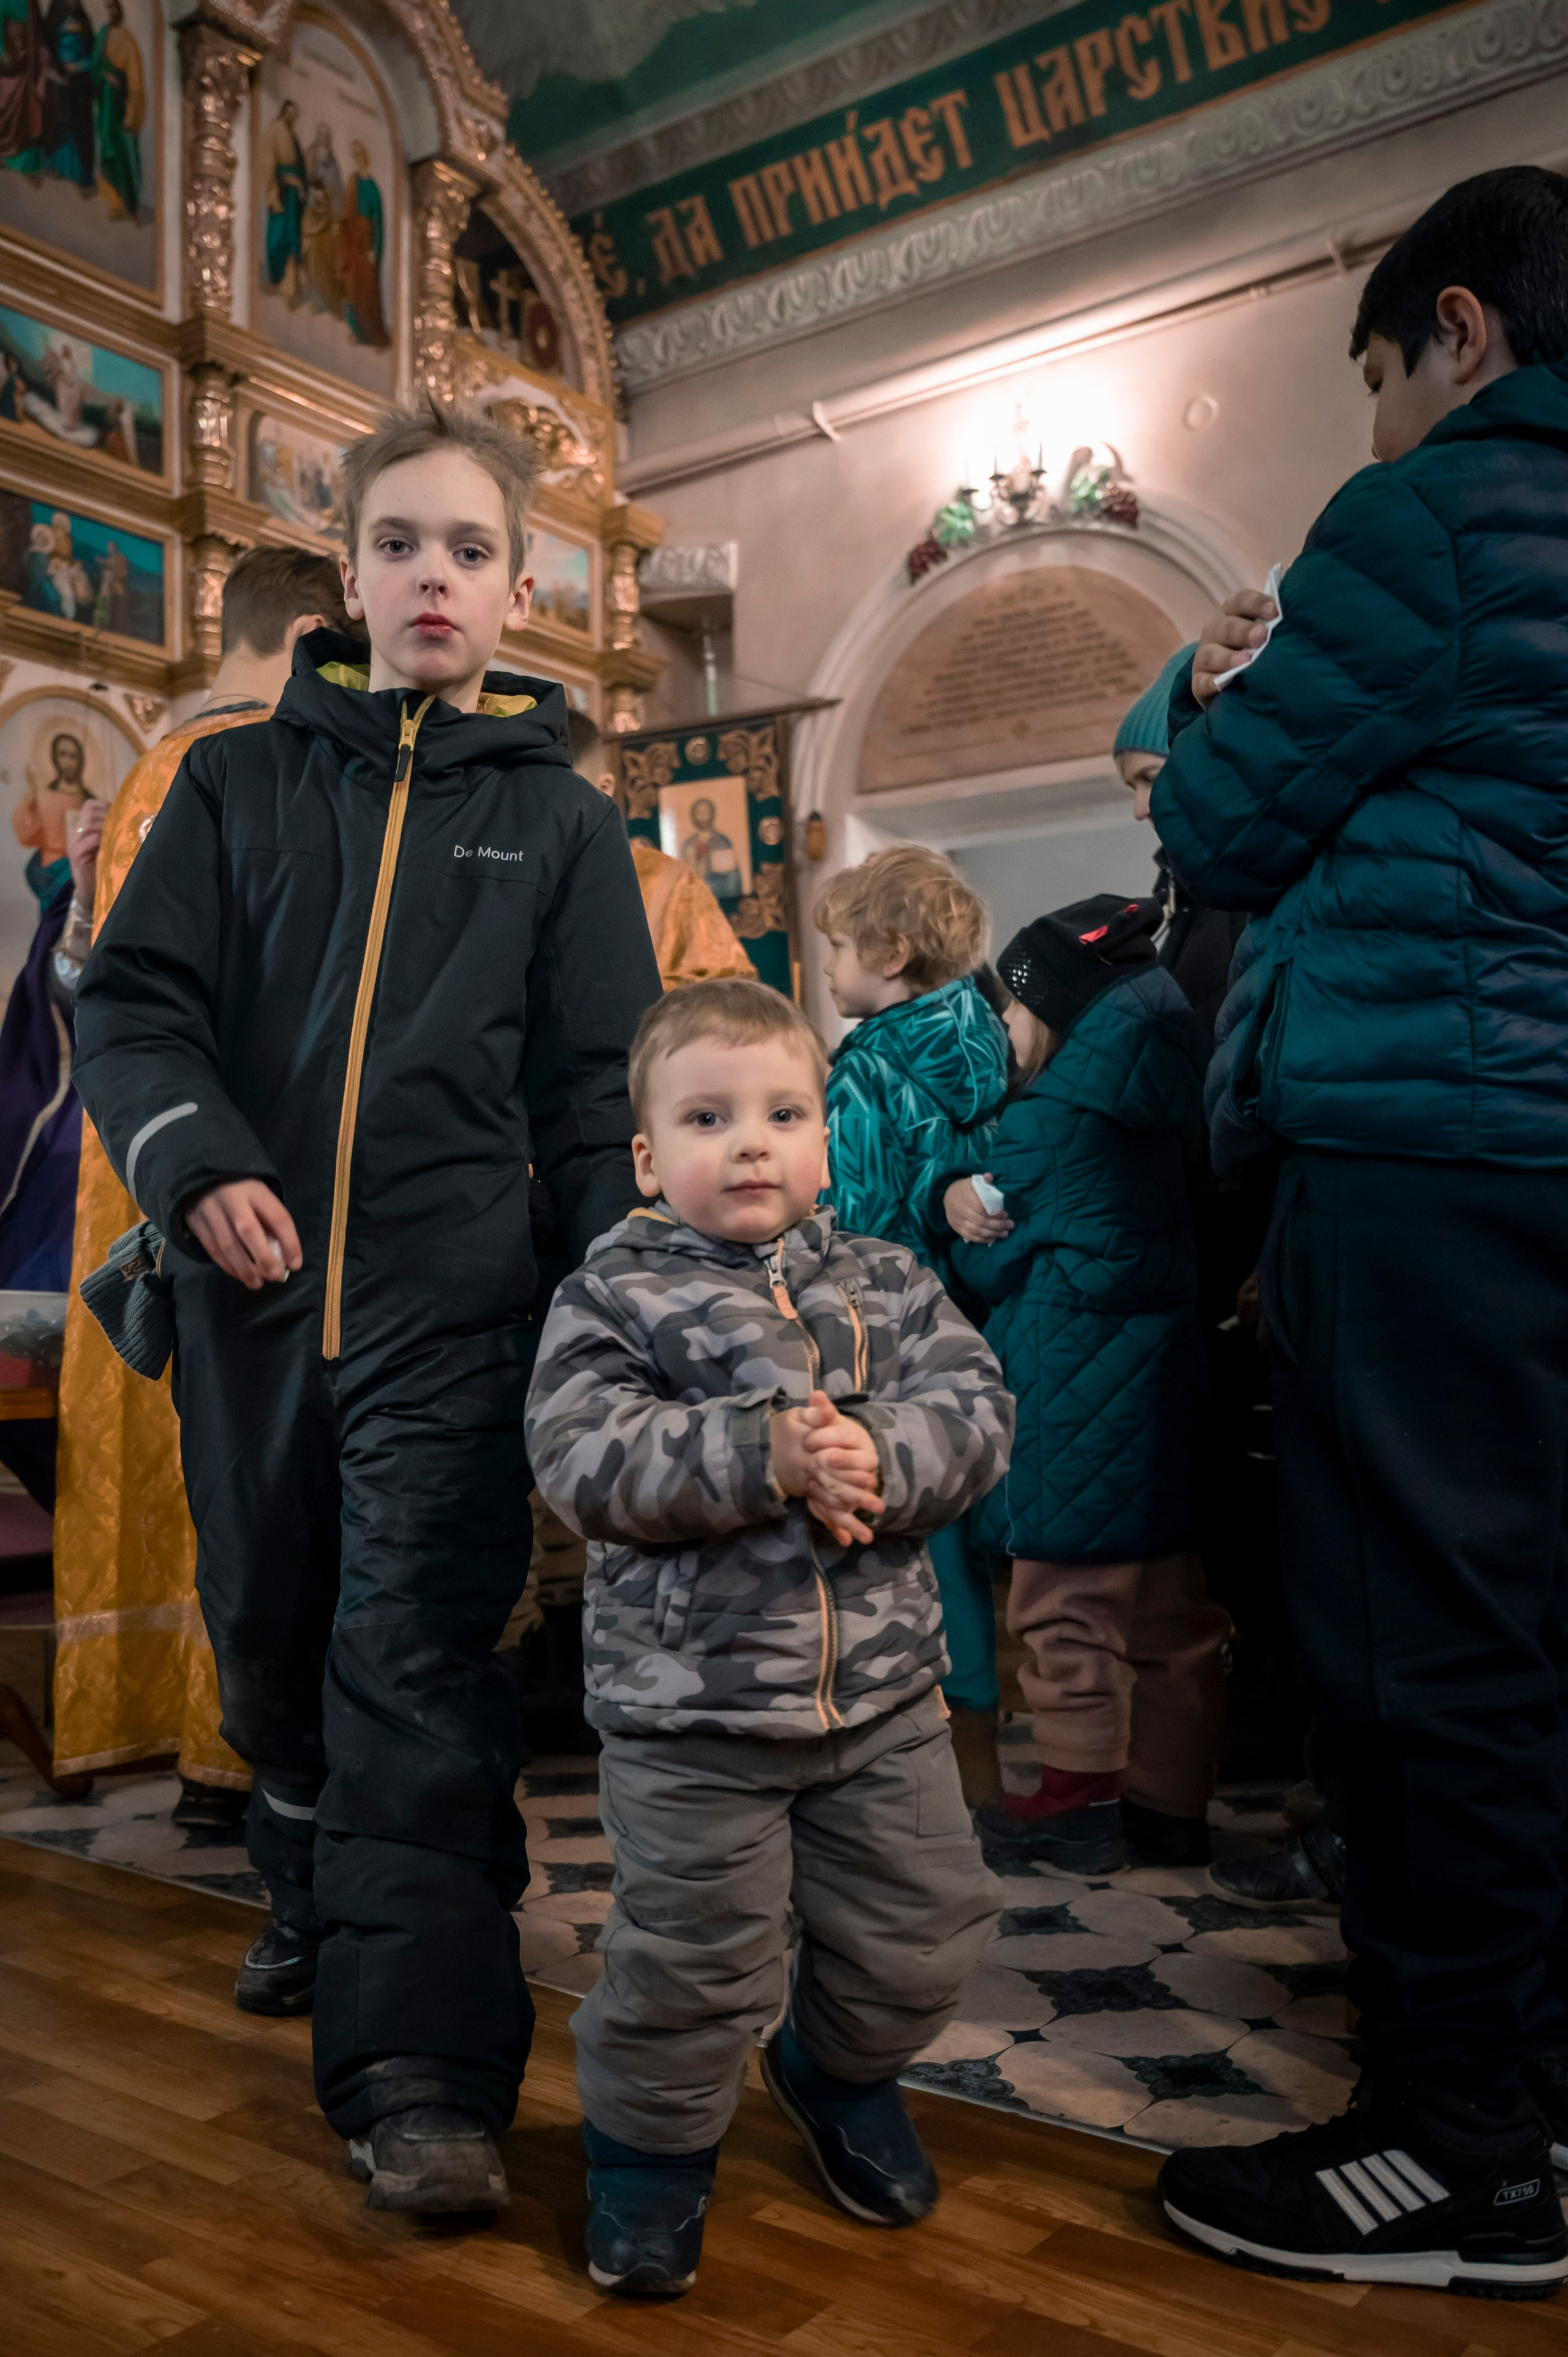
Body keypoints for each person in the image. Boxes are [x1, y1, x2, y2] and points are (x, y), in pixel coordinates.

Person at [72, 398, 662, 2214]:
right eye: (400, 542)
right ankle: (302, 1863)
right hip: (248, 1309)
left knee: (415, 1665)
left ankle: (421, 2071)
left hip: (453, 1317)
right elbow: (135, 1009)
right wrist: (195, 1161)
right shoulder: (230, 787)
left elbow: (592, 1099)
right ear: (349, 575)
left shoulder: (563, 824)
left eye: (470, 549)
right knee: (271, 1640)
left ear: (515, 591)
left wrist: (621, 1314)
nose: (434, 576)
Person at [1150, 167, 1568, 2295]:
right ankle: (1534, 2091)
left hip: (1434, 1147)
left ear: (1461, 332)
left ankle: (1452, 2152)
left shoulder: (1440, 514)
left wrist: (1213, 692)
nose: (1380, 424)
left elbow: (1218, 818)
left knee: (1424, 1655)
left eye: (1381, 376)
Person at [524, 976, 1011, 2299]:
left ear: (824, 1143)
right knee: (692, 1963)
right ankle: (648, 2155)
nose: (751, 1142)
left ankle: (834, 2072)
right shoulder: (613, 1295)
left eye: (783, 1113)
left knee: (923, 1935)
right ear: (648, 1158)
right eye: (709, 1117)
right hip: (694, 1718)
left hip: (885, 1705)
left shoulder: (889, 1279)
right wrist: (766, 1453)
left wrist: (879, 1451)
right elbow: (582, 1458)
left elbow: (975, 1409)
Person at [51, 546, 353, 1822]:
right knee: (241, 1452)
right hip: (237, 1150)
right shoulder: (252, 761)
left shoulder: (143, 771)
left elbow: (92, 979)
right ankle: (241, 1751)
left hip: (138, 1151)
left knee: (166, 1440)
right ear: (313, 632)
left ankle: (173, 1728)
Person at [941, 897, 1227, 1872]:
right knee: (1172, 1619)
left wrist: (950, 1202)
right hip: (1162, 1388)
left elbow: (988, 1262)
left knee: (1063, 1610)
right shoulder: (1171, 1102)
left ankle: (1076, 1807)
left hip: (1068, 1393)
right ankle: (1170, 1808)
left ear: (1057, 1012)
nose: (1004, 1024)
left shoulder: (1049, 1121)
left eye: (1015, 1007)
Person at [817, 844, 1010, 1805]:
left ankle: (938, 1755)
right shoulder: (991, 1034)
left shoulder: (865, 1067)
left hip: (895, 1331)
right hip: (985, 1313)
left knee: (918, 1539)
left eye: (838, 948)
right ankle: (985, 1738)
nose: (828, 968)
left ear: (890, 954)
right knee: (973, 1533)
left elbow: (853, 1220)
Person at [567, 709, 753, 990]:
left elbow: (729, 991)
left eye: (558, 793)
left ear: (603, 789)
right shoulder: (508, 879)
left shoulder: (671, 884)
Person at [89, 0, 143, 222]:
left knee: (123, 155)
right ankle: (113, 201)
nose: (111, 12)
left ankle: (127, 203)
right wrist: (103, 76)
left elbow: (135, 82)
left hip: (119, 107)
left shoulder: (127, 40)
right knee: (104, 151)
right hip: (104, 104)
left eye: (114, 8)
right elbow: (95, 65)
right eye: (108, 8)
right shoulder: (103, 34)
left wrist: (119, 81)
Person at [263, 99, 306, 304]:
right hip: (281, 190)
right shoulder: (276, 129)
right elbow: (269, 162)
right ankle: (276, 278)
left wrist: (301, 186)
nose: (292, 116)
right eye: (289, 112)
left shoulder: (292, 135)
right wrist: (273, 194)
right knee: (277, 237)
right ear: (283, 111)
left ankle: (290, 285)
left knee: (292, 236)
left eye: (294, 114)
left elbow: (300, 167)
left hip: (293, 195)